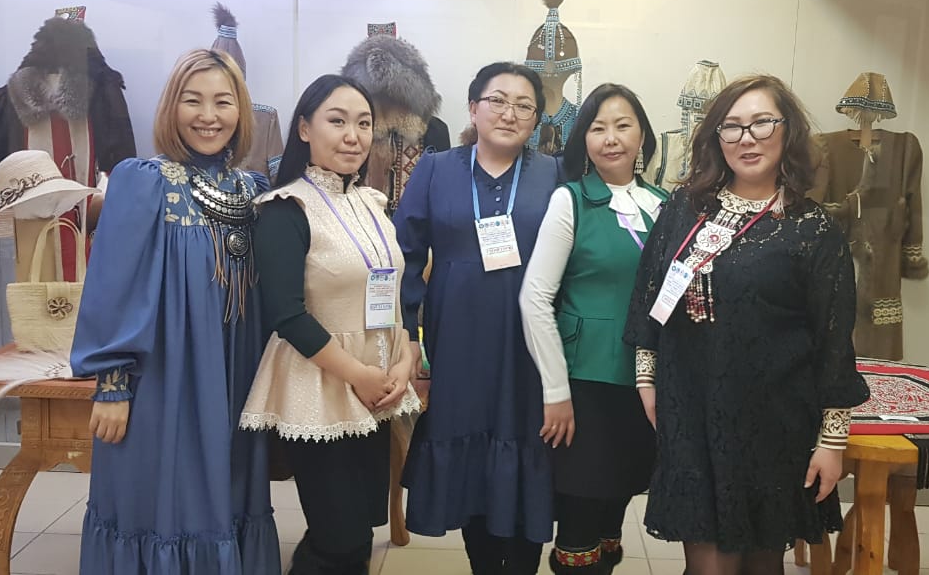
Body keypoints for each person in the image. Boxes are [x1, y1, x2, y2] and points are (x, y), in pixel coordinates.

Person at [623, 74, 870, 575]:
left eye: (762, 123)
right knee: (708, 567)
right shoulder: (685, 208)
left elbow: (833, 344)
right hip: (692, 412)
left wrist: (832, 441)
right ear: (716, 137)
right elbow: (650, 294)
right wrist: (647, 377)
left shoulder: (812, 230)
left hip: (774, 421)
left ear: (788, 131)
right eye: (732, 126)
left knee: (761, 564)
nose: (746, 138)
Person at [70, 49, 279, 574]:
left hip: (235, 375)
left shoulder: (253, 190)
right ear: (171, 107)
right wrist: (112, 385)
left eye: (223, 102)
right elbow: (112, 287)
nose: (208, 116)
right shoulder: (143, 182)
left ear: (242, 110)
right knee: (165, 501)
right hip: (164, 380)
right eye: (193, 101)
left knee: (227, 495)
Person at [239, 74, 421, 575]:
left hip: (379, 382)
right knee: (337, 535)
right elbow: (286, 314)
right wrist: (360, 375)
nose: (353, 136)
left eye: (363, 124)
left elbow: (392, 293)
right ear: (304, 129)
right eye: (337, 121)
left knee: (358, 527)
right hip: (320, 385)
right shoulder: (285, 208)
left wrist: (405, 356)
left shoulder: (372, 202)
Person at [394, 62, 561, 575]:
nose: (509, 113)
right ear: (473, 108)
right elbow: (404, 257)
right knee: (471, 458)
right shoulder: (436, 169)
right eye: (497, 100)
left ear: (536, 119)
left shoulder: (554, 174)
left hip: (530, 344)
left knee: (528, 445)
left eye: (524, 106)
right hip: (458, 341)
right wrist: (410, 335)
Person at [519, 83, 666, 574]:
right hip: (584, 383)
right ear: (583, 138)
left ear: (642, 135)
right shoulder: (572, 200)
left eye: (623, 125)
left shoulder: (664, 205)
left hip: (645, 382)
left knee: (615, 508)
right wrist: (555, 391)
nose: (611, 138)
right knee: (580, 516)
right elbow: (534, 298)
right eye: (598, 128)